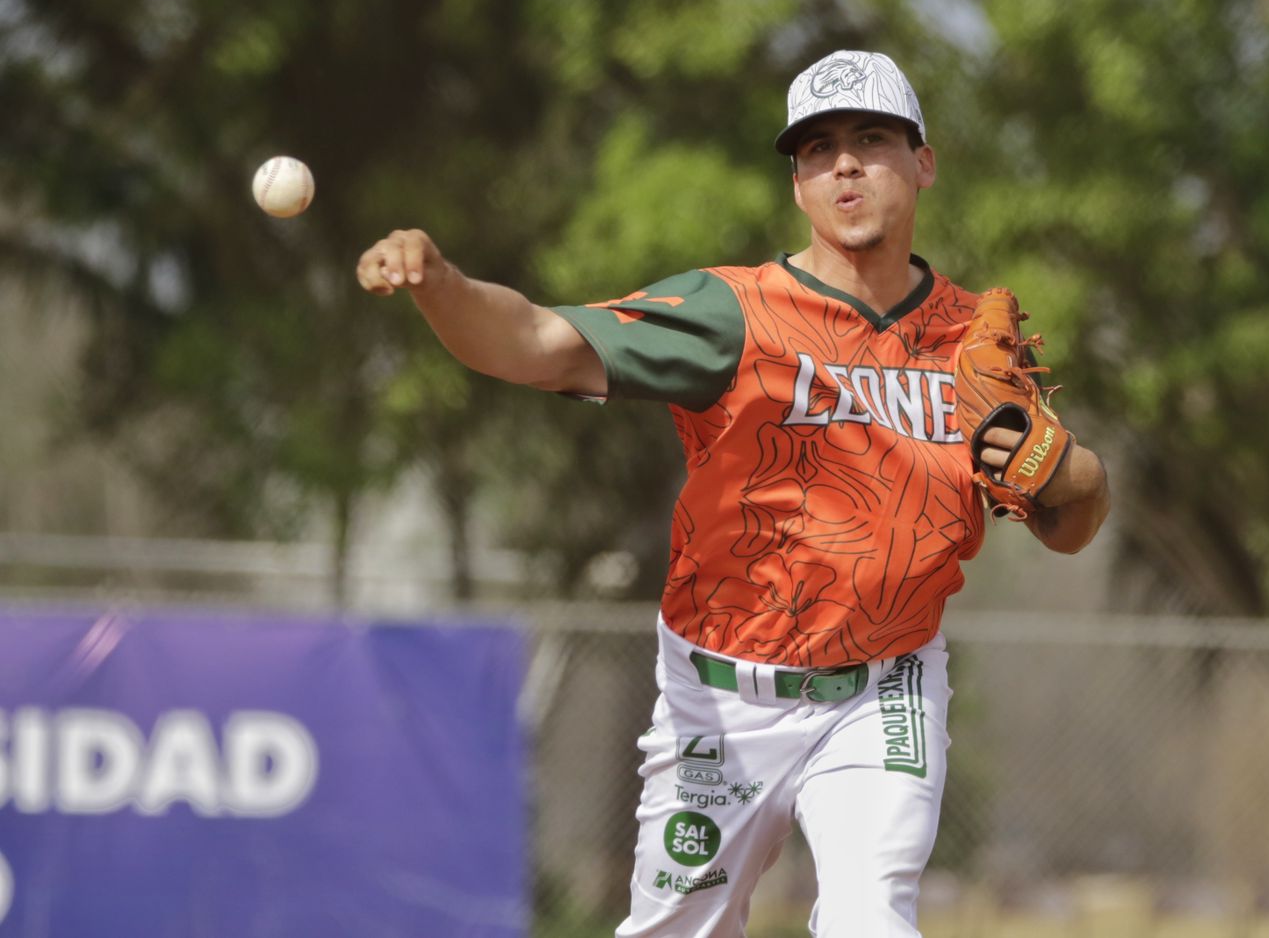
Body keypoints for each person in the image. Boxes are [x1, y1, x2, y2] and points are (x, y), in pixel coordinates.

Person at [355, 49, 1110, 937]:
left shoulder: (968, 343)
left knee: (873, 920)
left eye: (872, 139)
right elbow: (534, 342)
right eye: (819, 150)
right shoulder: (731, 314)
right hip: (722, 696)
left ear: (924, 162)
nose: (846, 165)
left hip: (885, 686)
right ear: (798, 185)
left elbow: (1072, 524)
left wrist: (1075, 473)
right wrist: (440, 285)